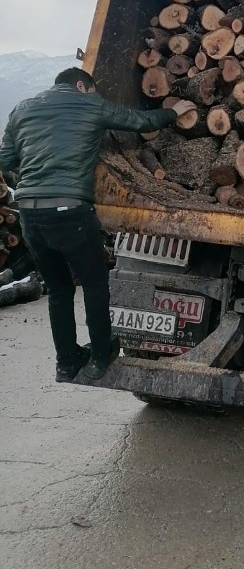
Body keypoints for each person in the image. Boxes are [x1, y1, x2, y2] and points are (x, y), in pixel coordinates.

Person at [0, 67, 194, 382]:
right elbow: (138, 121)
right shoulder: (89, 103)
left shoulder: (22, 108)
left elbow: (5, 160)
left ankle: (66, 363)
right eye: (91, 89)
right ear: (82, 85)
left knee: (60, 289)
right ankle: (101, 355)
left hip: (30, 216)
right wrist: (173, 112)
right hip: (70, 212)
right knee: (94, 283)